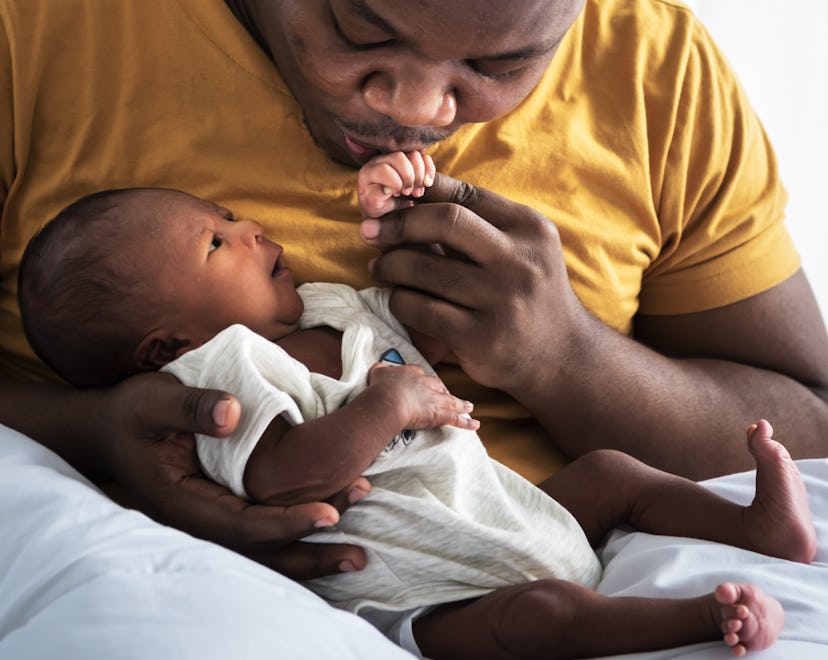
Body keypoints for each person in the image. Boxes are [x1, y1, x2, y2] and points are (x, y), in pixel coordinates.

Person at [2, 0, 827, 580]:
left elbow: (809, 425)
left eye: (502, 63)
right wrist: (95, 430)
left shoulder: (659, 67)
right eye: (361, 28)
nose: (421, 108)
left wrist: (568, 357)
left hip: (547, 538)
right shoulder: (36, 29)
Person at [16, 157, 817, 658]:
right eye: (217, 242)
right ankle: (698, 625)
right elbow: (285, 482)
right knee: (536, 618)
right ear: (166, 345)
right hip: (425, 593)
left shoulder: (326, 306)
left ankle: (754, 528)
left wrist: (408, 199)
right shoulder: (220, 373)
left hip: (510, 511)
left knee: (611, 473)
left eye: (230, 217)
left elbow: (426, 301)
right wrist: (388, 404)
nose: (251, 227)